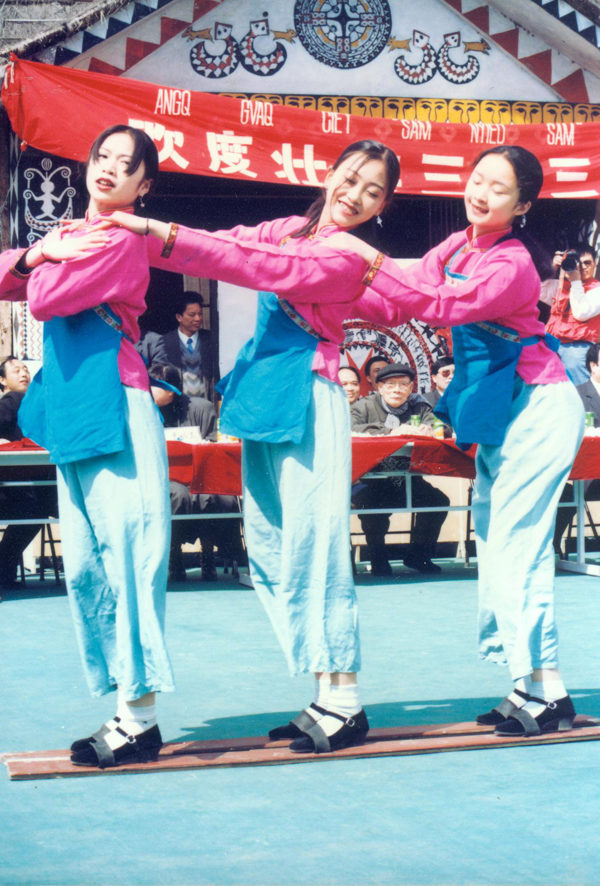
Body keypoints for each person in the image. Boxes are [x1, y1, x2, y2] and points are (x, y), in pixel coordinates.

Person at [109, 139, 404, 755]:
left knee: (319, 545)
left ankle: (346, 700)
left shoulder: (345, 255)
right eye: (350, 178)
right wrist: (127, 235)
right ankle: (324, 692)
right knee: (274, 545)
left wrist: (150, 231)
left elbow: (252, 265)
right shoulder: (288, 228)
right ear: (329, 173)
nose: (354, 195)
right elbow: (224, 243)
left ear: (382, 206)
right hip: (268, 399)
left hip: (310, 398)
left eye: (372, 192)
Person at [325, 146, 585, 738]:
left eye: (499, 188)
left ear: (522, 205)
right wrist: (328, 287)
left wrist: (361, 256)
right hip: (503, 412)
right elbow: (399, 298)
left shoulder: (512, 262)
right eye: (477, 179)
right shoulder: (458, 245)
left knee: (518, 549)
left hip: (539, 408)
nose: (481, 192)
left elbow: (441, 303)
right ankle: (534, 686)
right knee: (497, 545)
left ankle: (544, 688)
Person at [0, 125, 176, 769]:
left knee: (130, 558)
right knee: (83, 567)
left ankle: (140, 717)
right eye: (102, 156)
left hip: (116, 402)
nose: (108, 169)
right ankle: (125, 707)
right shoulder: (73, 234)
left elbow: (45, 298)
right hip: (74, 409)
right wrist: (41, 251)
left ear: (143, 186)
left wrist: (42, 258)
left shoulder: (121, 239)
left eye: (126, 165)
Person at [351, 363, 449, 575]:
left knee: (438, 501)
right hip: (372, 477)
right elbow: (350, 427)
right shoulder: (364, 406)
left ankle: (418, 556)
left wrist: (430, 429)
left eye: (403, 384)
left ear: (411, 387)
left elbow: (444, 427)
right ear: (380, 387)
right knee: (372, 505)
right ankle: (378, 558)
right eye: (391, 384)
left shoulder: (419, 406)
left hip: (407, 477)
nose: (397, 389)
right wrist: (390, 431)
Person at [149, 363, 243, 582]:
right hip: (164, 477)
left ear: (170, 389)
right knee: (178, 495)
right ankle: (174, 557)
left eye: (154, 386)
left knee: (208, 494)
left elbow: (213, 447)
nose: (148, 390)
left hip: (200, 475)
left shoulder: (202, 408)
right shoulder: (146, 412)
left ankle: (207, 556)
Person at [0, 356, 57, 589]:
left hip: (27, 487)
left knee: (35, 510)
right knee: (36, 510)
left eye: (25, 369)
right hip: (18, 489)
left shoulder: (32, 403)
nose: (24, 373)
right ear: (2, 380)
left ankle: (4, 570)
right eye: (16, 370)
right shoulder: (13, 399)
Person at [553, 341, 600, 555]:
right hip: (586, 472)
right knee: (568, 494)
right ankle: (553, 543)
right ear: (593, 366)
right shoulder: (577, 395)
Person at [138, 292, 213, 399]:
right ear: (179, 317)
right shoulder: (164, 342)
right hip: (178, 405)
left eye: (200, 314)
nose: (198, 318)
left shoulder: (210, 339)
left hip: (207, 404)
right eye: (192, 315)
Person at [544, 245, 600, 385]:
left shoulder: (597, 290)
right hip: (552, 346)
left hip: (579, 351)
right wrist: (551, 268)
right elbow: (538, 290)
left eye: (587, 263)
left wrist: (575, 282)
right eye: (578, 263)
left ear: (595, 263)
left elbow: (581, 312)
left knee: (581, 392)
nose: (583, 267)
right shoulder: (562, 286)